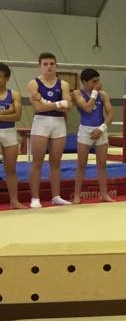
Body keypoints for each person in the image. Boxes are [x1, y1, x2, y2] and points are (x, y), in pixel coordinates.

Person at [27, 52, 72, 208]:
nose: (49, 67)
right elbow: (38, 107)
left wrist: (49, 103)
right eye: (45, 64)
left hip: (59, 123)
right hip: (41, 122)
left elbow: (69, 107)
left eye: (52, 64)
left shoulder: (64, 84)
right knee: (37, 162)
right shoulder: (33, 83)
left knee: (56, 162)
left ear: (56, 65)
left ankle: (56, 196)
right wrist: (60, 104)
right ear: (40, 66)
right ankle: (35, 198)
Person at [72, 68, 115, 203]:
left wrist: (101, 129)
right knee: (81, 165)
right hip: (85, 130)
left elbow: (110, 115)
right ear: (84, 81)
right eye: (93, 81)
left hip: (100, 130)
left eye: (98, 81)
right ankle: (77, 195)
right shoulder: (77, 93)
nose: (97, 84)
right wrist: (94, 92)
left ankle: (104, 194)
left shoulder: (103, 95)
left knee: (102, 164)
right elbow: (87, 108)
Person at [0, 63, 26, 208]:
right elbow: (12, 113)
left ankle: (14, 200)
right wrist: (7, 112)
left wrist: (11, 113)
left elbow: (17, 116)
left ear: (7, 78)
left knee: (11, 168)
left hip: (9, 132)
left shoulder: (14, 94)